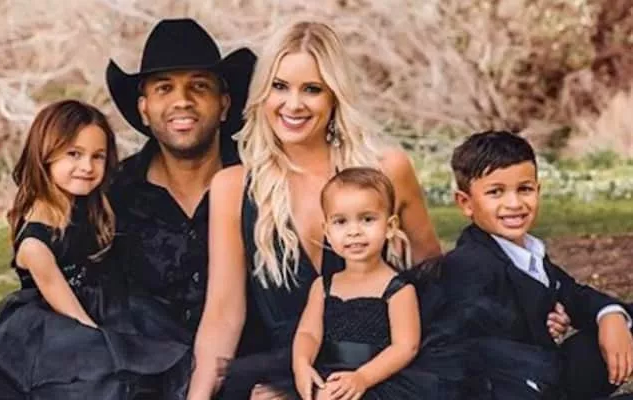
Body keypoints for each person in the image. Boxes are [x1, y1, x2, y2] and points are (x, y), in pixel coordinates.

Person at [187, 20, 449, 400]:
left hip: (384, 372)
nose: (293, 104)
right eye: (279, 86)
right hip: (288, 371)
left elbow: (435, 283)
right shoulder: (233, 187)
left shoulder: (387, 170)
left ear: (334, 97)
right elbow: (222, 315)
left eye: (311, 89)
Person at [0, 100, 188, 399]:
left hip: (112, 306)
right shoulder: (36, 241)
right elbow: (67, 307)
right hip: (57, 323)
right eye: (74, 154)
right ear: (45, 155)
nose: (87, 167)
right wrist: (104, 346)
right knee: (100, 379)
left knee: (165, 360)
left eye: (98, 156)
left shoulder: (92, 207)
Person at [105, 18, 263, 398]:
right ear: (144, 108)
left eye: (199, 86)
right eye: (164, 88)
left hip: (248, 377)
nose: (182, 100)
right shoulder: (111, 194)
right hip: (139, 381)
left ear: (224, 104)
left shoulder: (264, 186)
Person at [440, 130, 633, 399]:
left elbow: (574, 294)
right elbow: (480, 347)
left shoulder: (528, 250)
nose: (514, 203)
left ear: (538, 190)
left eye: (525, 189)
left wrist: (610, 315)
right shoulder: (470, 264)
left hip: (550, 374)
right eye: (496, 192)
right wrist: (540, 322)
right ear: (466, 203)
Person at [293, 167, 463, 400]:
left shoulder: (398, 289)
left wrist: (362, 378)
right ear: (327, 232)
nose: (354, 231)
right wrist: (301, 364)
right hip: (328, 372)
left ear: (390, 227)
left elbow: (405, 347)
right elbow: (309, 333)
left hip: (379, 377)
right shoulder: (323, 286)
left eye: (367, 219)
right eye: (341, 222)